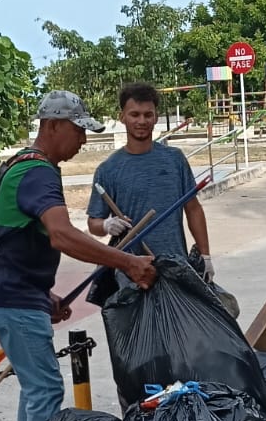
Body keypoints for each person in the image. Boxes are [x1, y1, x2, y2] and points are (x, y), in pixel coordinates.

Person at [0, 89, 156, 421]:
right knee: (45, 389)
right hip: (12, 298)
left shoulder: (22, 164)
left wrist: (44, 294)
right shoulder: (38, 172)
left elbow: (15, 241)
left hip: (12, 293)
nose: (83, 140)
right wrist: (127, 262)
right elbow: (62, 235)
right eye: (78, 130)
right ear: (53, 125)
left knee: (35, 387)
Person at [86, 81, 214, 281]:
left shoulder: (175, 159)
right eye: (134, 114)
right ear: (122, 117)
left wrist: (205, 256)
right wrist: (106, 225)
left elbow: (193, 209)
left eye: (148, 114)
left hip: (175, 267)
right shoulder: (108, 169)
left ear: (155, 117)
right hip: (131, 273)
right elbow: (93, 223)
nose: (142, 121)